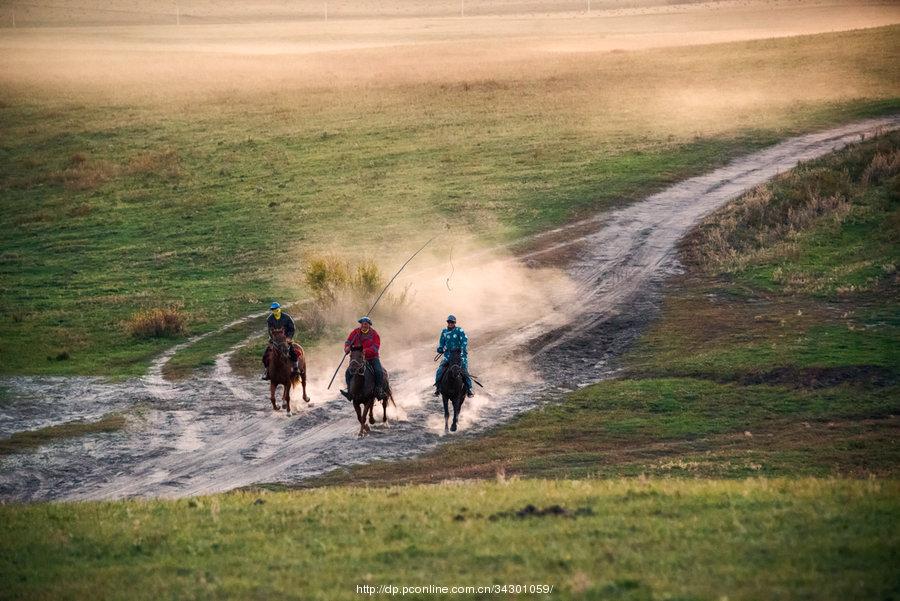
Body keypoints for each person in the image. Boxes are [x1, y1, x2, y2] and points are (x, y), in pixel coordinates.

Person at [340, 316, 385, 400]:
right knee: (348, 372)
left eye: (366, 324)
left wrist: (366, 351)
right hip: (358, 358)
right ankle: (349, 391)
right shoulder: (355, 332)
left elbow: (376, 347)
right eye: (362, 323)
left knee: (379, 371)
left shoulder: (374, 334)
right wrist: (346, 347)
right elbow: (348, 341)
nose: (364, 325)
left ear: (369, 325)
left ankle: (379, 390)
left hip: (372, 357)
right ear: (361, 324)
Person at [434, 314, 473, 397]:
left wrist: (462, 350)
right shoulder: (444, 332)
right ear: (447, 322)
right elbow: (442, 343)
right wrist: (440, 348)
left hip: (459, 355)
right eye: (449, 322)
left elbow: (464, 341)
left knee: (464, 370)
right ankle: (438, 388)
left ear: (454, 323)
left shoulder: (459, 330)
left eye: (452, 322)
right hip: (448, 356)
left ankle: (469, 389)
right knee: (440, 370)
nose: (450, 323)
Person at [262, 302, 300, 379]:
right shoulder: (270, 319)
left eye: (276, 309)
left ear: (279, 309)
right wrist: (273, 339)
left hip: (285, 339)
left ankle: (296, 368)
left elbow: (292, 328)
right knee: (265, 355)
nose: (275, 311)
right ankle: (266, 371)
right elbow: (270, 331)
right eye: (273, 309)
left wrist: (289, 338)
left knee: (293, 352)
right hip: (275, 339)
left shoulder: (287, 317)